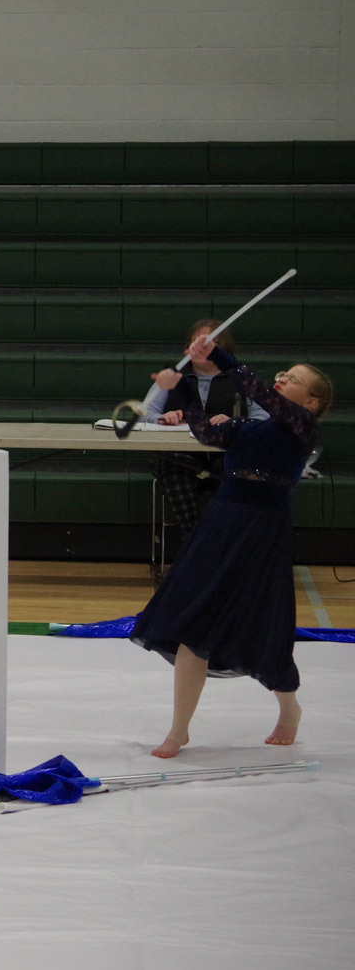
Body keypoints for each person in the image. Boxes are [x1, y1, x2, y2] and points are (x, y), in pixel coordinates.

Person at [129, 340, 334, 758]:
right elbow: (204, 431)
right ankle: (179, 730)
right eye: (282, 374)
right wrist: (180, 389)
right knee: (194, 621)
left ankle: (289, 707)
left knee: (263, 625)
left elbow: (255, 389)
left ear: (311, 402)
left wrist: (217, 356)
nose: (281, 379)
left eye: (292, 378)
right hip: (221, 524)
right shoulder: (249, 427)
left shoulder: (302, 426)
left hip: (261, 532)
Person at [139, 320, 268, 531]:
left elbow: (263, 418)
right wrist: (161, 418)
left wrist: (234, 422)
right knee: (172, 466)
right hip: (180, 455)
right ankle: (194, 536)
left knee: (237, 470)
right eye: (194, 342)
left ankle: (221, 537)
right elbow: (144, 414)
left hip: (225, 454)